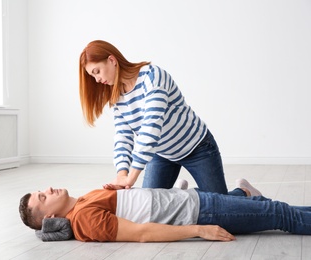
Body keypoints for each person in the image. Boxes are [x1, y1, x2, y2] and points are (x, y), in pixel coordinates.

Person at [79, 40, 230, 193]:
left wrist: (131, 178)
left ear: (112, 60)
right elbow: (123, 136)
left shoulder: (152, 76)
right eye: (93, 76)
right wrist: (122, 174)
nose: (96, 79)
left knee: (220, 207)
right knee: (150, 205)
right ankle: (176, 196)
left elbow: (151, 128)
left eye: (96, 72)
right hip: (161, 154)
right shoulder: (117, 96)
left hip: (197, 148)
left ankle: (244, 192)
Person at [19, 179, 311, 242]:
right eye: (42, 198)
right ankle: (244, 194)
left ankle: (244, 194)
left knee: (274, 209)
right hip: (202, 213)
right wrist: (199, 230)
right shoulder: (84, 220)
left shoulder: (84, 200)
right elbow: (142, 233)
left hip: (193, 200)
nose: (48, 190)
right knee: (280, 214)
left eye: (42, 190)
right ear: (51, 218)